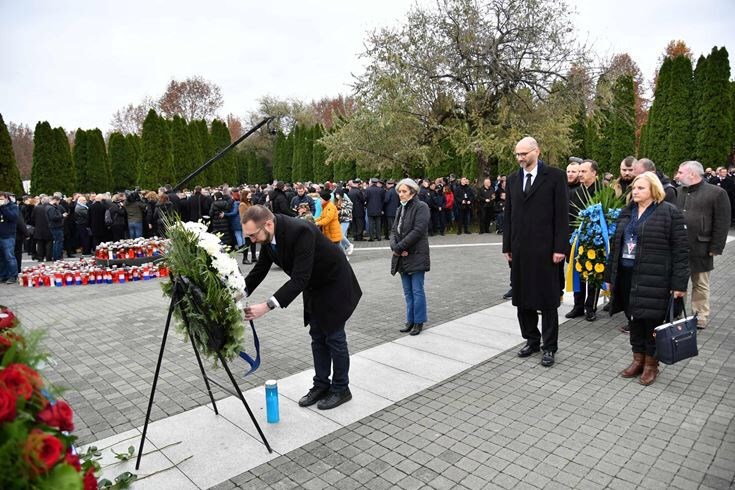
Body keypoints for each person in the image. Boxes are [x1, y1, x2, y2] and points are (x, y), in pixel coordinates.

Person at [241, 205, 362, 410]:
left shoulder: (300, 231)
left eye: (253, 235)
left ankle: (341, 388)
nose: (252, 241)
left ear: (268, 224)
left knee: (334, 337)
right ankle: (321, 385)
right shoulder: (269, 236)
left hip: (334, 282)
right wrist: (239, 294)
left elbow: (299, 278)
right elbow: (260, 270)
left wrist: (268, 305)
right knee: (317, 336)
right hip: (314, 285)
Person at [604, 172, 689, 385]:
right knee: (633, 319)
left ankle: (651, 365)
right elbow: (616, 245)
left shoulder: (668, 212)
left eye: (641, 188)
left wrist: (679, 283)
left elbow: (681, 251)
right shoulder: (627, 211)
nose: (635, 191)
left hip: (655, 277)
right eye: (634, 188)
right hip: (627, 276)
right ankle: (637, 359)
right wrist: (609, 276)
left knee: (651, 322)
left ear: (654, 189)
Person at [503, 136, 568, 367]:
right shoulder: (512, 180)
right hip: (520, 250)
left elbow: (562, 215)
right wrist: (507, 246)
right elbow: (509, 215)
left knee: (548, 300)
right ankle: (531, 340)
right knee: (523, 298)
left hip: (547, 251)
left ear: (537, 152)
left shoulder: (555, 177)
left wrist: (560, 247)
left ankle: (549, 347)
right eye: (517, 154)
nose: (520, 158)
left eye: (524, 154)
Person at [674, 161, 731, 329]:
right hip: (679, 247)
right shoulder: (677, 192)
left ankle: (700, 316)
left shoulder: (717, 193)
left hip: (702, 247)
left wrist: (716, 247)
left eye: (680, 172)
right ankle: (678, 312)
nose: (677, 175)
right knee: (678, 281)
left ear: (692, 174)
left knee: (700, 284)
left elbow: (722, 222)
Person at [390, 178, 431, 336]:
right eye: (399, 191)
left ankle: (418, 322)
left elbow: (418, 231)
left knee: (417, 290)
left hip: (416, 255)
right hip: (402, 256)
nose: (401, 194)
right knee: (407, 292)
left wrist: (399, 248)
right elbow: (394, 231)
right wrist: (395, 247)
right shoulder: (400, 208)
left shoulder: (422, 207)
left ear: (413, 192)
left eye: (404, 191)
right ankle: (410, 320)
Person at [566, 159, 601, 321]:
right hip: (577, 239)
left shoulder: (602, 192)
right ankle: (578, 305)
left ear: (594, 173)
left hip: (596, 239)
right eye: (579, 171)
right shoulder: (574, 193)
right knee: (578, 272)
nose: (580, 175)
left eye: (583, 171)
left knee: (594, 272)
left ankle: (590, 307)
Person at [0, 191, 20, 284]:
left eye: (1, 198)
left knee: (9, 257)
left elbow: (13, 217)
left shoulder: (12, 206)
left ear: (6, 198)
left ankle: (13, 276)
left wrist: (3, 207)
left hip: (8, 235)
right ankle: (3, 275)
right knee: (1, 258)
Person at [47, 195, 66, 261]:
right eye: (58, 201)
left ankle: (56, 257)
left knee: (56, 242)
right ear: (55, 200)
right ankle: (57, 257)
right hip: (56, 226)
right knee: (58, 242)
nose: (58, 203)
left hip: (55, 226)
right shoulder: (51, 208)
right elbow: (53, 217)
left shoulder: (50, 207)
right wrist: (62, 215)